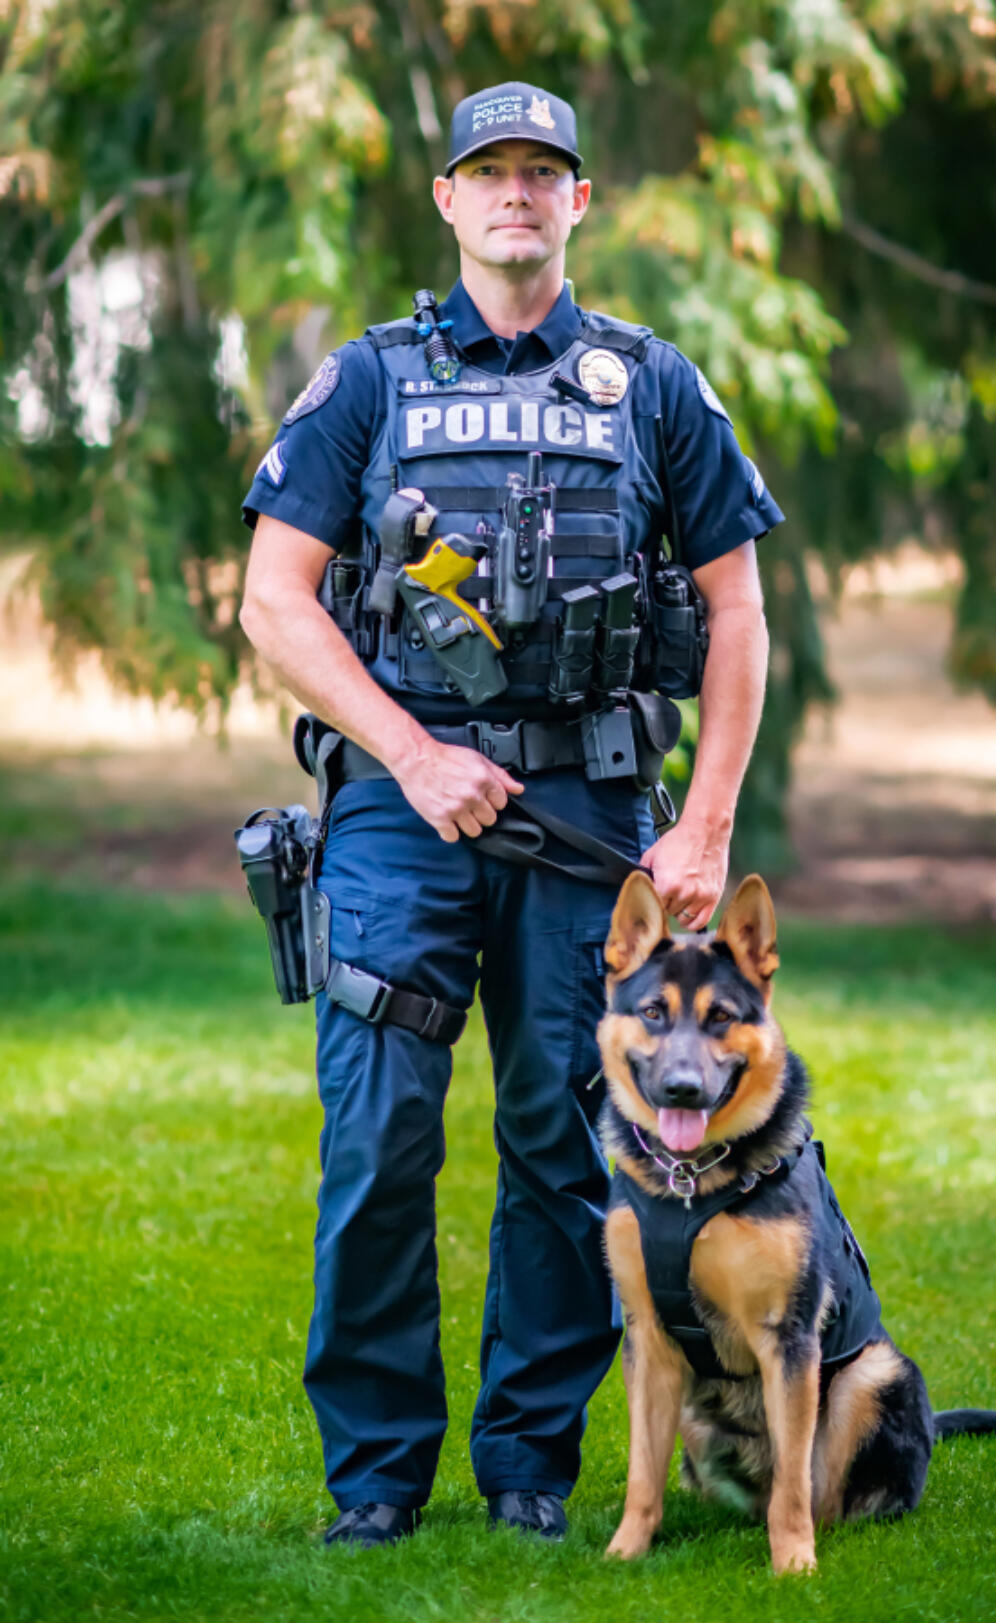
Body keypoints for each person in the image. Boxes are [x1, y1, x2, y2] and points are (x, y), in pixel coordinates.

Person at [238, 80, 781, 1548]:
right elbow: (273, 604)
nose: (518, 194)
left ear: (580, 201)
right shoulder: (367, 382)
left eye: (546, 171)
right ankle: (375, 1481)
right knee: (378, 1144)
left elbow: (738, 615)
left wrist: (708, 824)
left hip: (590, 822)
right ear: (449, 198)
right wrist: (413, 758)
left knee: (559, 1142)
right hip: (404, 814)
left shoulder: (651, 385)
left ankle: (531, 1464)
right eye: (493, 171)